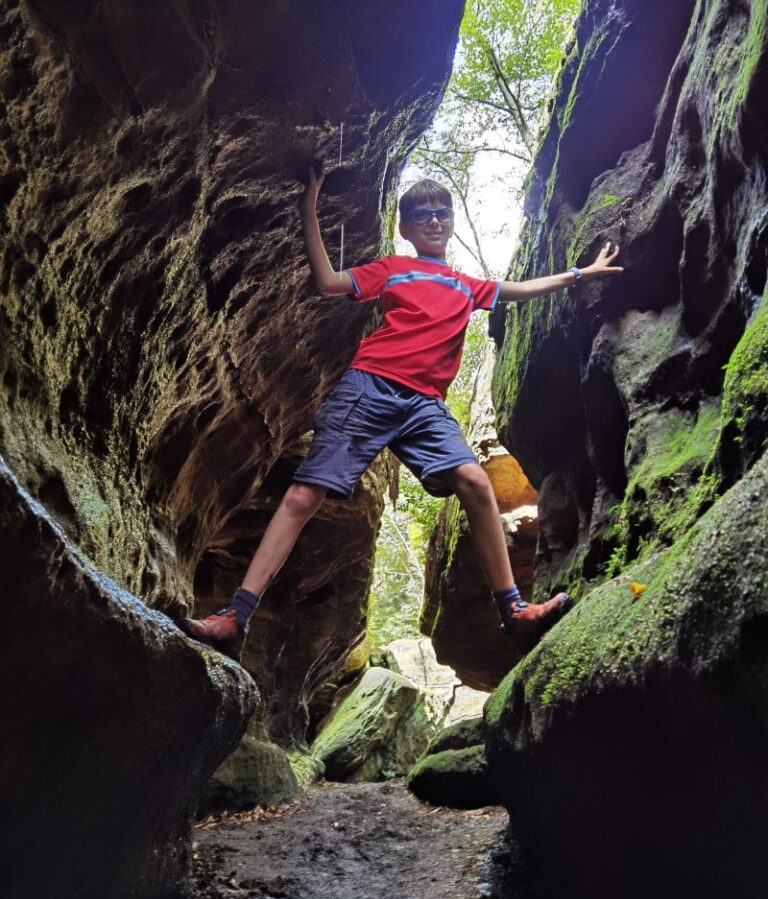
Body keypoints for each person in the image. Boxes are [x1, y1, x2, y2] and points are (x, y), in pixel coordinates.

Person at [179, 171, 623, 661]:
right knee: (305, 494)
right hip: (368, 388)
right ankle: (235, 617)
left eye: (441, 213)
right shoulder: (392, 268)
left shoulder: (464, 285)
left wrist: (582, 274)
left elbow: (519, 289)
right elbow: (328, 282)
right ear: (407, 229)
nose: (433, 220)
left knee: (475, 482)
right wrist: (310, 204)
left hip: (425, 405)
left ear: (451, 222)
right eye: (420, 215)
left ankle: (513, 612)